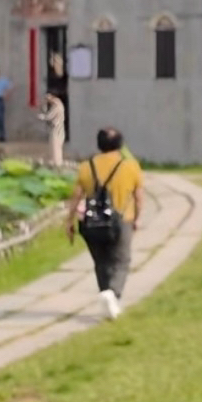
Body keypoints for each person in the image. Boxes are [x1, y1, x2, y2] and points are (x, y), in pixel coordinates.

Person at [66, 127, 143, 320]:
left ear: (99, 144)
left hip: (92, 222)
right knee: (121, 260)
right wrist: (137, 218)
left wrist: (69, 221)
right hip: (121, 220)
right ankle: (113, 294)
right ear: (120, 144)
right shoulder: (130, 165)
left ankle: (105, 294)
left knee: (101, 262)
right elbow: (138, 196)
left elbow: (76, 196)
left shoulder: (86, 166)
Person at [39, 93, 67, 167]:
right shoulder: (56, 104)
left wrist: (42, 117)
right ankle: (56, 162)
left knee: (55, 146)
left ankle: (57, 163)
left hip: (57, 129)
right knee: (54, 146)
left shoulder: (57, 105)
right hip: (56, 129)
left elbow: (49, 116)